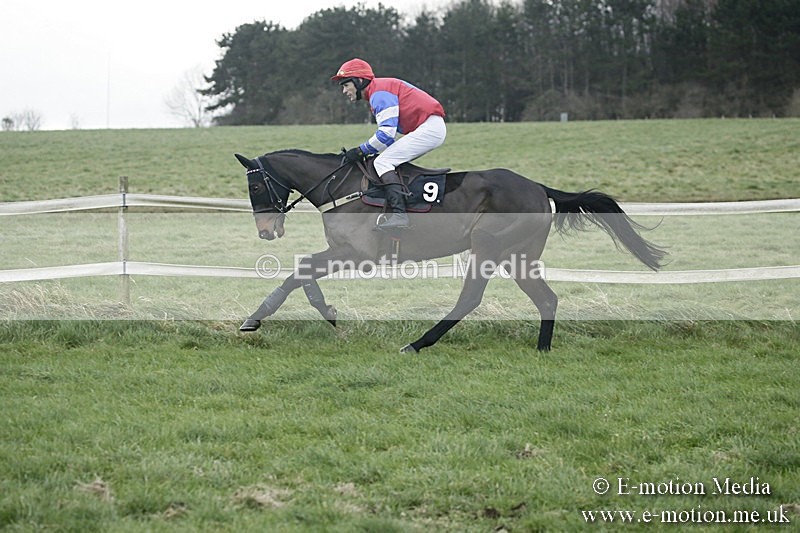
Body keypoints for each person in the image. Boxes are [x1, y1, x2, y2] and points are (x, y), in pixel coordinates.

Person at [331, 58, 446, 230]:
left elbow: (386, 135)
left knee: (382, 162)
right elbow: (388, 139)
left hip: (430, 129)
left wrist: (360, 151)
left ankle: (400, 215)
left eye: (346, 85)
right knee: (383, 159)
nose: (344, 91)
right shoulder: (378, 90)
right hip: (428, 127)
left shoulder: (379, 93)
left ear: (359, 81)